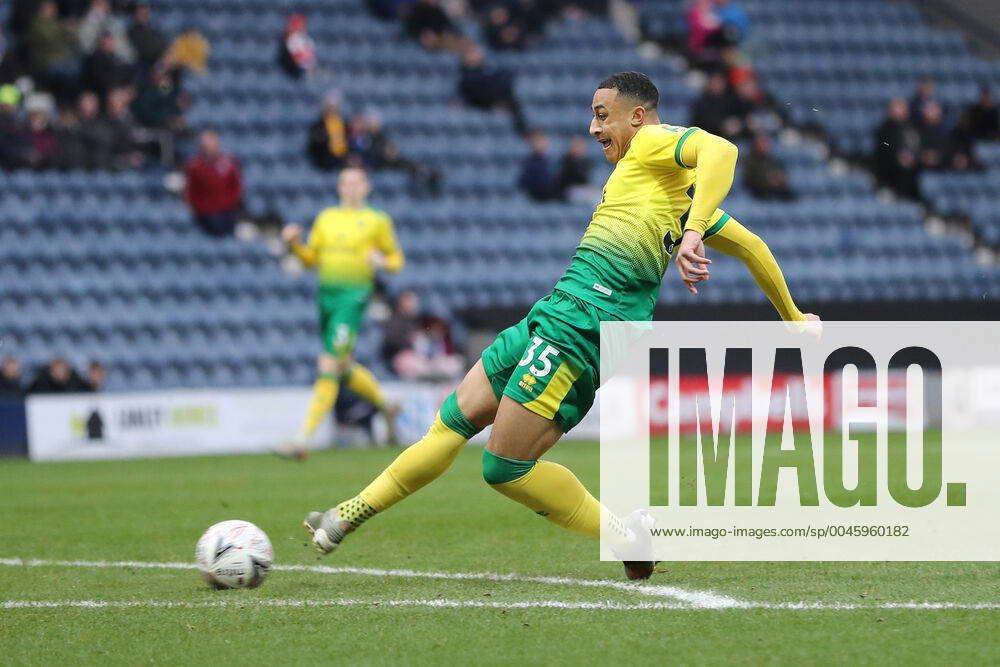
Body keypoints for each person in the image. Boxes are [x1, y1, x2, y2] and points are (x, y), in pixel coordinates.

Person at [302, 72, 819, 581]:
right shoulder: (674, 193)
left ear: (637, 117)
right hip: (554, 312)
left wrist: (695, 231)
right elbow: (752, 246)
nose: (593, 129)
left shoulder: (652, 145)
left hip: (585, 327)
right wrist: (792, 317)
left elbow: (723, 152)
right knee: (451, 422)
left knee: (503, 467)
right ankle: (347, 515)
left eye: (601, 116)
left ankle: (623, 533)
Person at [279, 167, 405, 457]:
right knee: (342, 366)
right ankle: (388, 407)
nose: (350, 187)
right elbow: (311, 259)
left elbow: (397, 259)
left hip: (354, 296)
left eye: (356, 182)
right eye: (345, 182)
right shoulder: (326, 218)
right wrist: (294, 244)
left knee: (328, 363)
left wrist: (382, 261)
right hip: (326, 296)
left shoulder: (377, 220)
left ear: (366, 187)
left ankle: (302, 439)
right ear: (339, 187)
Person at [382, 291, 464, 380]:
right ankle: (431, 377)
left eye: (413, 301)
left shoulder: (419, 319)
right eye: (409, 301)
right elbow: (390, 342)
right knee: (413, 363)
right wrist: (410, 339)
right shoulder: (394, 320)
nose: (413, 304)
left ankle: (435, 377)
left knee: (455, 362)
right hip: (404, 357)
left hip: (427, 358)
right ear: (401, 302)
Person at [184, 129, 243, 236]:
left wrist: (229, 203)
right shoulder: (194, 166)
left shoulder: (229, 162)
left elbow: (237, 186)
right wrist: (201, 207)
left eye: (210, 143)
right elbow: (190, 191)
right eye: (205, 144)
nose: (208, 147)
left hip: (227, 211)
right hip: (204, 214)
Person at [458, 44, 526, 134]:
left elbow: (504, 80)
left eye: (475, 53)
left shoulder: (489, 69)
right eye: (471, 53)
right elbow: (473, 95)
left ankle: (522, 131)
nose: (475, 55)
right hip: (482, 106)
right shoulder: (465, 77)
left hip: (499, 102)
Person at [873, 97, 921, 199]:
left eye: (902, 108)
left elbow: (916, 144)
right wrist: (896, 153)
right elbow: (884, 143)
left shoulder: (910, 127)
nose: (901, 111)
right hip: (890, 170)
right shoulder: (884, 129)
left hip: (911, 169)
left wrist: (914, 156)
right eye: (897, 108)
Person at [743, 132, 793, 200]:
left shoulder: (773, 160)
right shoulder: (749, 160)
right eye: (762, 142)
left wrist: (779, 179)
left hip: (776, 189)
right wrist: (768, 180)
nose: (765, 145)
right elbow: (748, 179)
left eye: (766, 142)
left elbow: (781, 174)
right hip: (758, 191)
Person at [307, 92, 349, 170]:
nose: (332, 109)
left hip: (341, 160)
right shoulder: (318, 124)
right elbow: (315, 143)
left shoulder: (343, 123)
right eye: (330, 107)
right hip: (325, 161)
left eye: (334, 107)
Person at [519, 130, 563, 201]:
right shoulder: (528, 162)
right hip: (535, 194)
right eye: (537, 142)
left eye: (542, 142)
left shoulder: (552, 161)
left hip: (551, 194)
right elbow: (524, 181)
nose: (540, 145)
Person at [128, 3, 168, 69]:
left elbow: (163, 44)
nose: (145, 16)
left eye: (146, 14)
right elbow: (143, 51)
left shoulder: (154, 29)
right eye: (141, 14)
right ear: (135, 15)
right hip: (144, 64)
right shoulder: (132, 32)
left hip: (159, 61)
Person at [277, 13, 317, 79]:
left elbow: (310, 56)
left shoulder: (306, 39)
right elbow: (295, 58)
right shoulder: (291, 40)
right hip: (293, 72)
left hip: (305, 70)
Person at [27, 357, 91, 393]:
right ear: (51, 371)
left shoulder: (76, 383)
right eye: (58, 369)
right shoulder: (41, 384)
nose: (60, 372)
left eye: (62, 369)